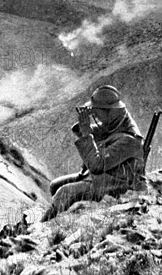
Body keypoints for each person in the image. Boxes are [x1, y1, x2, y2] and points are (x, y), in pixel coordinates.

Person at [41, 85, 146, 222]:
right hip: (106, 176)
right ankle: (59, 215)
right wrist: (84, 123)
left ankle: (42, 225)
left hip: (118, 183)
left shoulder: (129, 139)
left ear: (109, 112)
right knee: (55, 185)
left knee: (64, 192)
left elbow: (97, 165)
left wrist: (86, 133)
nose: (96, 115)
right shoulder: (116, 121)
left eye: (98, 112)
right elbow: (88, 131)